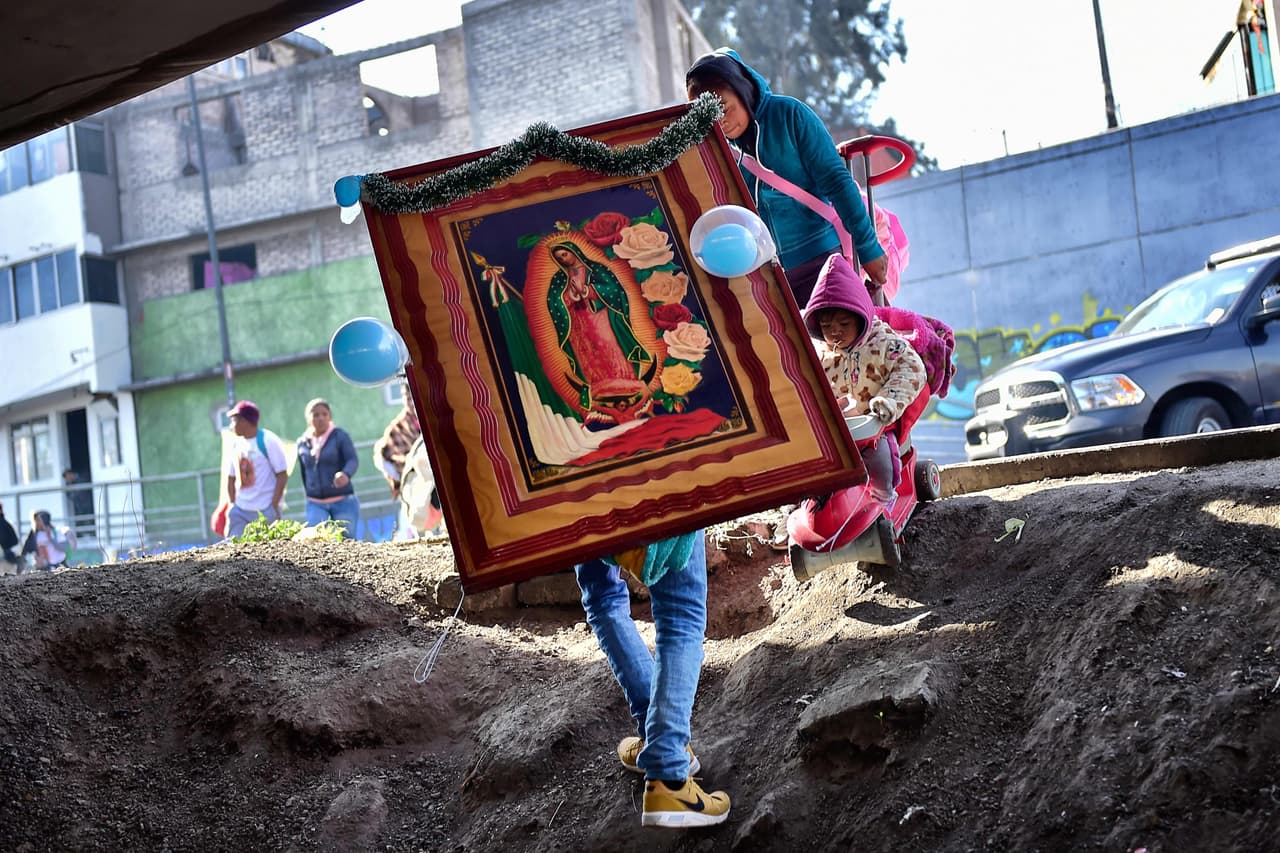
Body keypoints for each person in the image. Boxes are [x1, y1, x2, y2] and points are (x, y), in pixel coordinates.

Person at [685, 49, 887, 308]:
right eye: (708, 114)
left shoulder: (789, 114)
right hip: (768, 277)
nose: (720, 120)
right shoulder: (717, 151)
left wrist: (869, 248)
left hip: (823, 261)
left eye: (723, 107)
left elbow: (836, 181)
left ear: (741, 88)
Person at [575, 532, 731, 829]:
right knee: (680, 612)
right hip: (653, 490)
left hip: (575, 500)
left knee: (602, 597)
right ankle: (669, 775)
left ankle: (657, 737)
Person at [804, 254, 927, 506]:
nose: (835, 331)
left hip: (876, 425)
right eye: (826, 326)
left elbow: (913, 369)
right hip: (838, 431)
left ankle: (884, 498)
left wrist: (888, 401)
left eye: (844, 323)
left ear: (861, 316)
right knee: (812, 464)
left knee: (880, 457)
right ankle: (813, 506)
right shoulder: (818, 354)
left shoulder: (883, 343)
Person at [546, 241, 654, 418]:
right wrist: (569, 296)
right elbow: (554, 302)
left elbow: (614, 290)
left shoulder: (596, 269)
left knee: (608, 344)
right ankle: (597, 383)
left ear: (574, 251)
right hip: (578, 322)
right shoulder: (559, 279)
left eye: (565, 254)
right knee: (588, 352)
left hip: (600, 315)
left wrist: (589, 290)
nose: (563, 260)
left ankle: (625, 379)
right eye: (559, 258)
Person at [224, 400, 289, 538]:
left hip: (265, 509)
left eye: (234, 421)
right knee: (233, 549)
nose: (231, 426)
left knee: (266, 552)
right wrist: (232, 504)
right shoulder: (236, 444)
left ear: (245, 421)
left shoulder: (268, 440)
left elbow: (282, 475)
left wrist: (273, 505)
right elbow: (230, 478)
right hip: (240, 510)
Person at [296, 398, 360, 536]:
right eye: (316, 415)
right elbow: (304, 472)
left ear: (330, 416)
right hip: (315, 503)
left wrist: (345, 474)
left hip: (343, 500)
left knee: (347, 543)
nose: (320, 418)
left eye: (324, 414)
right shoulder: (302, 442)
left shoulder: (340, 436)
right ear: (309, 418)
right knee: (317, 542)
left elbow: (352, 459)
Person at [63, 469, 94, 538]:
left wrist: (73, 491)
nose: (67, 479)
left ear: (70, 474)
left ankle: (91, 534)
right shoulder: (69, 484)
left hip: (88, 503)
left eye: (67, 477)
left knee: (89, 519)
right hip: (79, 505)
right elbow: (68, 495)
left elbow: (82, 491)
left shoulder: (83, 478)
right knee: (81, 521)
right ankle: (84, 535)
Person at [0, 502, 20, 575]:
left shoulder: (4, 523)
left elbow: (15, 541)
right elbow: (15, 541)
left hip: (6, 557)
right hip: (8, 556)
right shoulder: (6, 523)